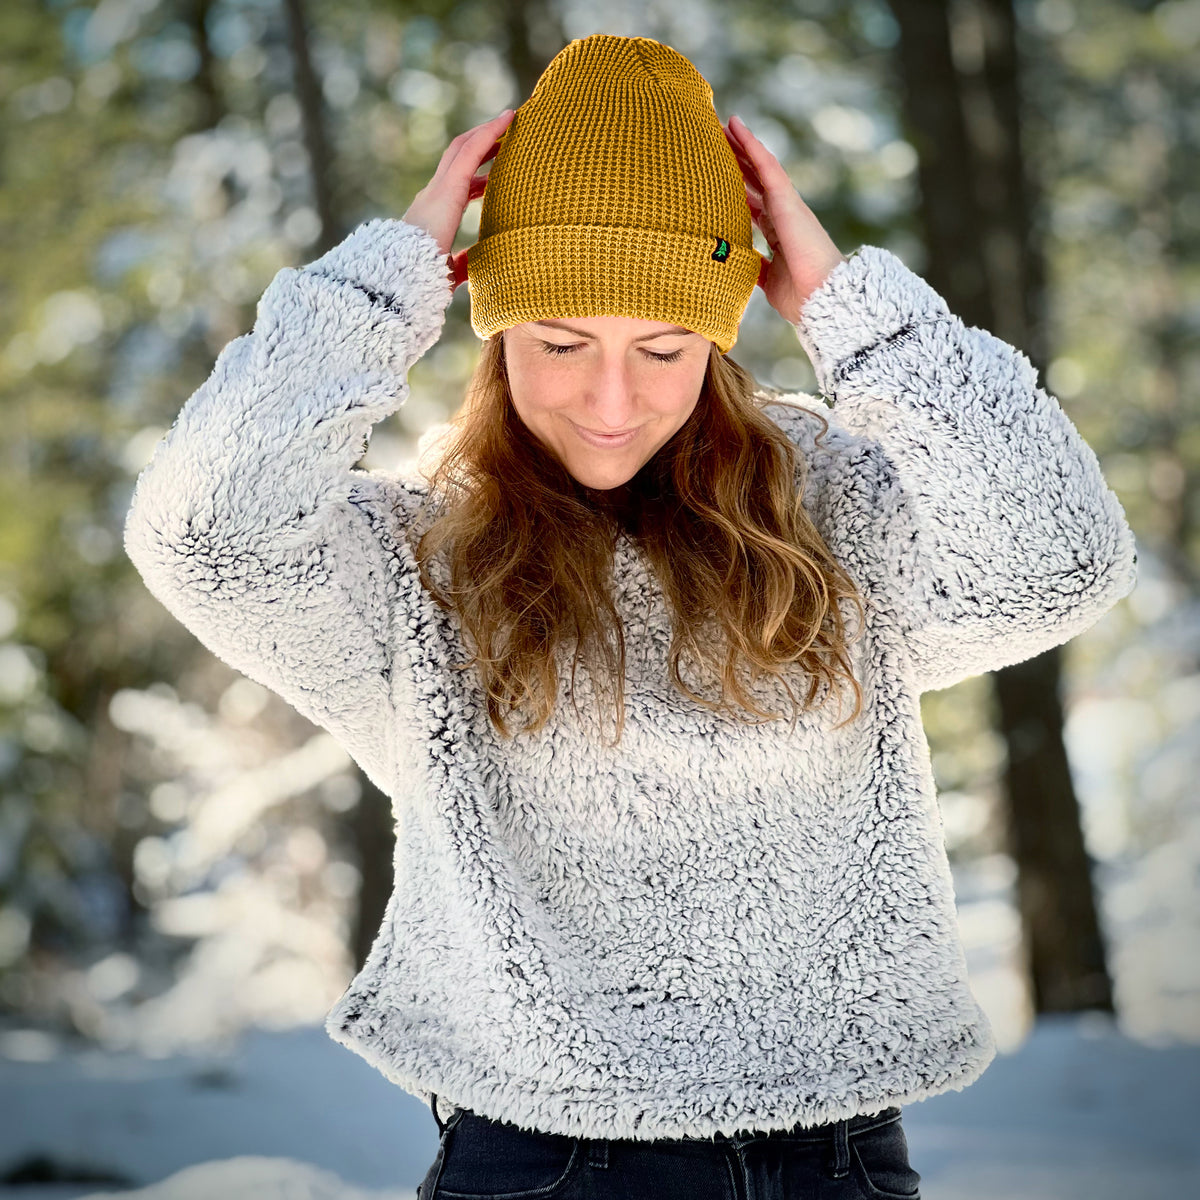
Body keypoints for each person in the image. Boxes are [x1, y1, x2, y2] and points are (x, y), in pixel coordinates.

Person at [123, 33, 1138, 1200]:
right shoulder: (417, 560)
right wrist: (377, 283)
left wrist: (856, 311)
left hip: (840, 1163)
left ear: (720, 338)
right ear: (493, 332)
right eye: (559, 342)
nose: (612, 402)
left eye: (663, 347)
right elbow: (203, 533)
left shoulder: (836, 511)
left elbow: (1058, 560)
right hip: (543, 1166)